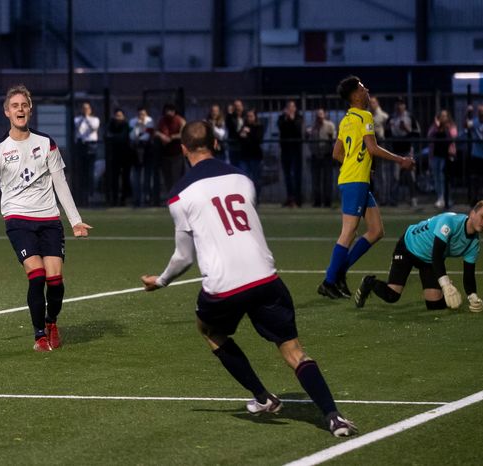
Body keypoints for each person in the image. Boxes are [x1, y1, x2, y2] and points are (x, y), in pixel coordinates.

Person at [140, 120, 357, 437]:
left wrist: (160, 281)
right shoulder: (243, 179)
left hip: (223, 287)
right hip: (266, 277)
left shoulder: (178, 195)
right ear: (216, 144)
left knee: (208, 329)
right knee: (294, 350)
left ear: (183, 149)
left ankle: (263, 396)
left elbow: (184, 257)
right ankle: (333, 417)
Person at [0, 84, 92, 352]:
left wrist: (75, 220)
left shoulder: (46, 144)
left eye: (24, 105)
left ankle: (52, 322)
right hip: (18, 220)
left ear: (30, 110)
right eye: (15, 106)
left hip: (49, 219)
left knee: (56, 280)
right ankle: (40, 335)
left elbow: (60, 183)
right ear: (6, 112)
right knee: (37, 275)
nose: (20, 109)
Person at [317, 76, 415, 300]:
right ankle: (329, 281)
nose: (366, 89)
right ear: (355, 95)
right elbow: (372, 147)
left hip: (353, 178)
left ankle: (338, 272)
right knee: (349, 232)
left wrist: (355, 164)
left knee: (376, 230)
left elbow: (337, 153)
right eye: (362, 87)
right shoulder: (365, 116)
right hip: (355, 181)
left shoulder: (346, 120)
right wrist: (401, 160)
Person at [354, 200, 483, 312]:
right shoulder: (449, 221)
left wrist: (473, 297)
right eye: (482, 217)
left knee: (435, 305)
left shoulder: (474, 243)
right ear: (472, 213)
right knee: (392, 296)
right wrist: (445, 284)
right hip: (408, 247)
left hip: (428, 260)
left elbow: (469, 273)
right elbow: (437, 254)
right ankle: (369, 283)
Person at [387, 98, 419, 207]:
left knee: (410, 176)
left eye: (401, 104)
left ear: (404, 106)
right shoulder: (391, 118)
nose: (399, 106)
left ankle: (413, 198)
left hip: (407, 150)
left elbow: (417, 133)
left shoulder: (409, 117)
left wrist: (406, 129)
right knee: (395, 176)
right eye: (397, 104)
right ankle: (393, 199)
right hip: (396, 151)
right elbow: (386, 133)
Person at [427, 110, 458, 209]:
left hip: (447, 156)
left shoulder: (451, 126)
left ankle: (447, 198)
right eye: (441, 116)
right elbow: (429, 135)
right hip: (436, 155)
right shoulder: (435, 127)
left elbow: (453, 135)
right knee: (436, 176)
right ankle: (440, 198)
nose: (443, 118)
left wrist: (445, 127)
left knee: (443, 176)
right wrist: (437, 126)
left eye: (445, 116)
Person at [306, 108, 336, 207]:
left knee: (327, 180)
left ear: (324, 115)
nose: (319, 117)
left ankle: (328, 201)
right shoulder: (312, 128)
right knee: (316, 181)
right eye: (317, 115)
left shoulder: (330, 126)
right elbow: (309, 141)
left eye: (321, 115)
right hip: (315, 156)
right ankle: (317, 201)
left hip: (326, 155)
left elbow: (334, 139)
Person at [277, 100, 304, 207]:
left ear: (295, 108)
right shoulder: (281, 118)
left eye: (292, 107)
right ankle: (290, 198)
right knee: (287, 176)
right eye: (288, 107)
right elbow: (281, 127)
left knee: (296, 175)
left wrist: (292, 119)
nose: (290, 109)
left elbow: (298, 130)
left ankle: (297, 199)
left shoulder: (299, 118)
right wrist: (286, 118)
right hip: (285, 150)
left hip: (296, 151)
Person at [155, 103, 187, 195]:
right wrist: (162, 136)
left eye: (171, 110)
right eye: (167, 110)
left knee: (177, 177)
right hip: (165, 154)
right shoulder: (162, 120)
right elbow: (156, 132)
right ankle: (170, 197)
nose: (169, 112)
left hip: (177, 154)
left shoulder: (180, 120)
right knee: (167, 178)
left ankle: (178, 197)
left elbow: (184, 134)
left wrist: (172, 137)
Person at [73, 102, 100, 206]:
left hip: (91, 145)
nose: (85, 110)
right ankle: (81, 196)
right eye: (83, 108)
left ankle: (91, 194)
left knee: (90, 171)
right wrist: (83, 118)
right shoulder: (77, 119)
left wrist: (87, 117)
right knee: (81, 172)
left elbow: (93, 128)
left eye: (87, 108)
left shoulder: (94, 119)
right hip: (81, 145)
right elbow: (77, 127)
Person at [106, 108, 133, 206]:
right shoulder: (111, 124)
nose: (118, 118)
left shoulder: (126, 125)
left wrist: (114, 137)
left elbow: (122, 137)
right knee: (114, 178)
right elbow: (107, 135)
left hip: (125, 155)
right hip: (114, 156)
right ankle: (114, 199)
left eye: (120, 116)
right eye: (116, 116)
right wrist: (115, 137)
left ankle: (124, 199)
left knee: (125, 178)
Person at [129, 106, 155, 207]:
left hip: (147, 150)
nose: (141, 116)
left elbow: (147, 136)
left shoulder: (150, 121)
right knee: (136, 177)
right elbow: (132, 136)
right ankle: (137, 199)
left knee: (147, 176)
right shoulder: (133, 122)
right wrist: (137, 127)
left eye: (143, 114)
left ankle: (147, 198)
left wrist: (142, 128)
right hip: (135, 151)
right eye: (140, 114)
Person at [237, 108, 264, 199]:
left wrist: (249, 132)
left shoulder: (258, 127)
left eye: (251, 116)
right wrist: (241, 134)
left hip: (255, 156)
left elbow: (258, 139)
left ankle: (256, 199)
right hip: (244, 156)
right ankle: (246, 198)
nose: (249, 118)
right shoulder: (243, 127)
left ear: (255, 117)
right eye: (248, 116)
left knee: (256, 179)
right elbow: (239, 139)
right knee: (244, 179)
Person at [369, 96, 391, 205]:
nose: (371, 104)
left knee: (382, 173)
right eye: (370, 102)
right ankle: (377, 196)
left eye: (373, 102)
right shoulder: (368, 115)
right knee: (374, 174)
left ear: (377, 103)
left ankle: (384, 197)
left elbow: (388, 131)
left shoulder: (383, 116)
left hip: (380, 145)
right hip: (370, 147)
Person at [225, 99, 245, 167]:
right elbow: (229, 127)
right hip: (234, 144)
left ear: (242, 106)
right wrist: (230, 114)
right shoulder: (230, 117)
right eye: (235, 106)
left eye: (239, 106)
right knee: (234, 166)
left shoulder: (245, 116)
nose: (237, 108)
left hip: (244, 145)